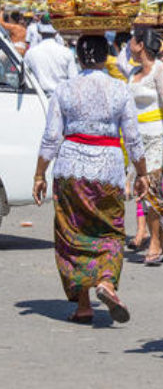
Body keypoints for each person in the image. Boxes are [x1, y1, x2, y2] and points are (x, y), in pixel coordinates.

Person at [32, 35, 149, 324]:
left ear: (79, 58)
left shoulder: (64, 89)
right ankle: (106, 282)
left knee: (73, 236)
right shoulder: (120, 90)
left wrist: (39, 174)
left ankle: (84, 305)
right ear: (107, 56)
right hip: (107, 171)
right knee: (109, 231)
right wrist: (142, 173)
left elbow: (51, 137)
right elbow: (133, 138)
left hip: (70, 170)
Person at [126, 28, 163, 265]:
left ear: (140, 45)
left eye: (131, 41)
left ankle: (155, 243)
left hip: (156, 137)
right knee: (142, 193)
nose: (127, 45)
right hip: (137, 142)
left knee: (152, 192)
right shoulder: (133, 73)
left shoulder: (160, 70)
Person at [24, 22, 78, 97]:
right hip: (61, 98)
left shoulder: (30, 53)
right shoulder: (67, 52)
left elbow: (26, 78)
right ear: (56, 32)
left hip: (38, 99)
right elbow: (73, 80)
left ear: (39, 32)